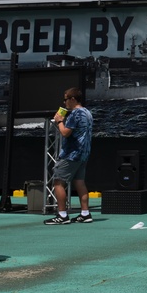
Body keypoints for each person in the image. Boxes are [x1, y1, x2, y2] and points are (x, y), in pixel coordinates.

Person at [43, 88, 94, 225]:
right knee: (79, 182)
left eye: (65, 99)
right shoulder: (87, 112)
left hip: (71, 154)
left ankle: (62, 215)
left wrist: (59, 121)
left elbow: (65, 133)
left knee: (58, 182)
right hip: (83, 153)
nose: (64, 102)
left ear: (72, 99)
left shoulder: (75, 114)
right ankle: (85, 213)